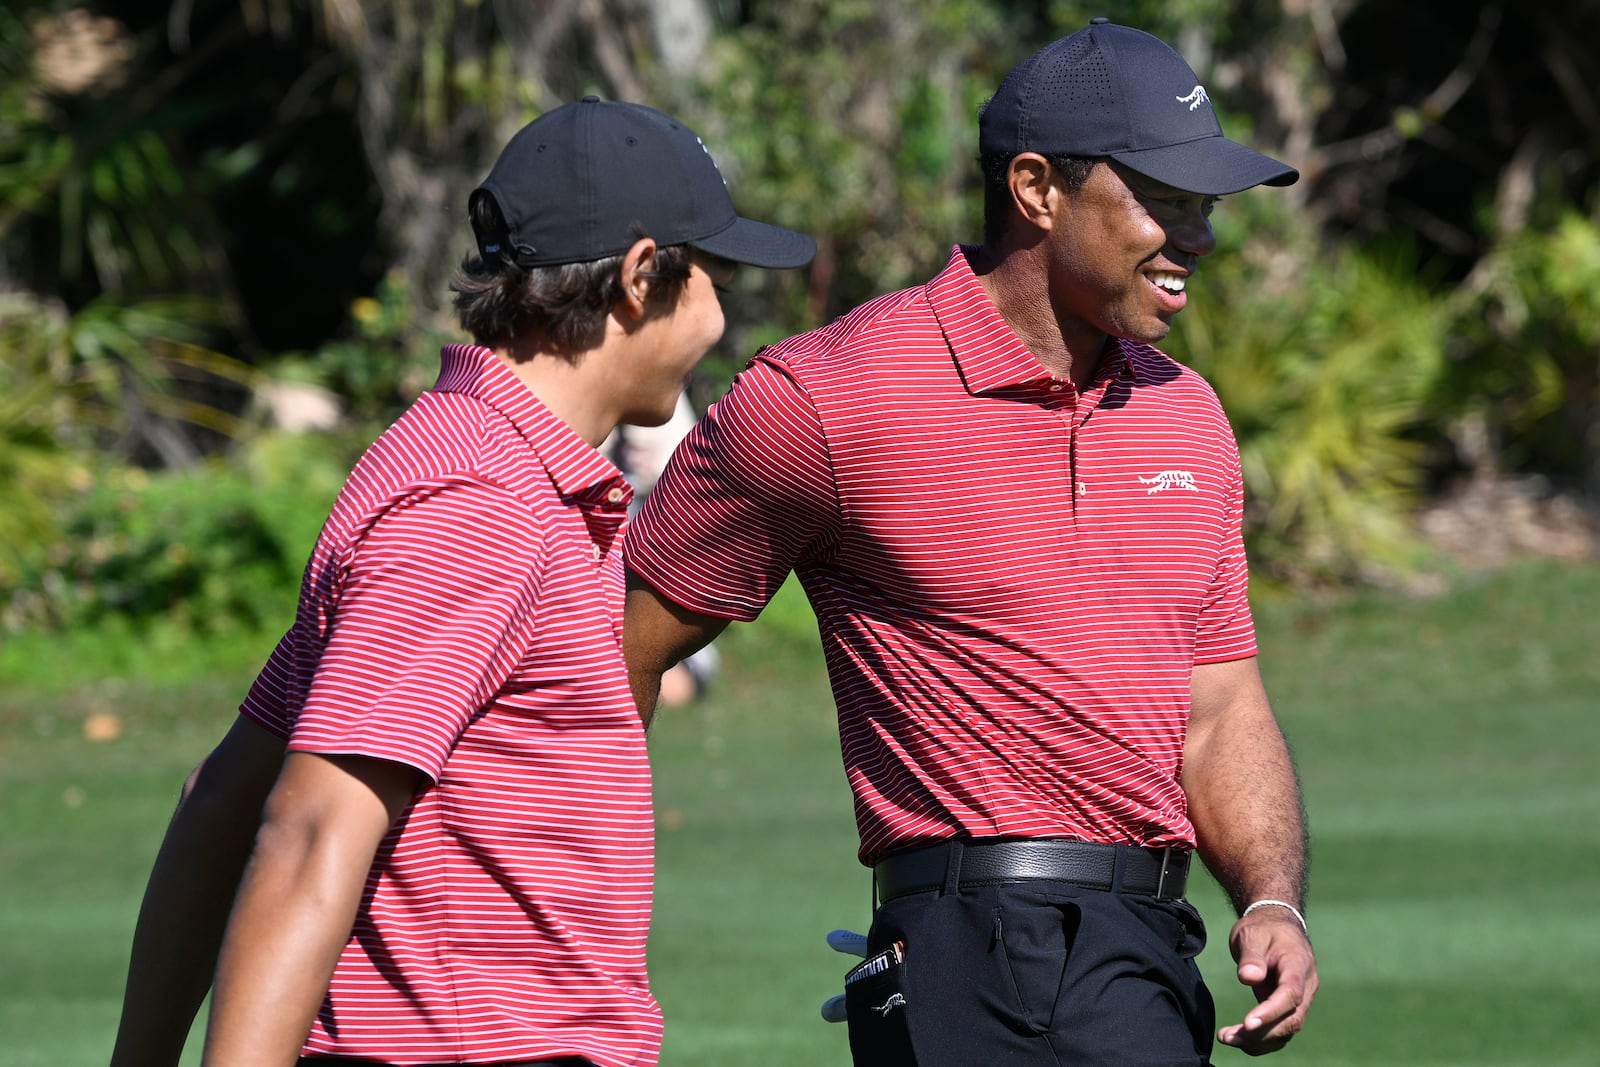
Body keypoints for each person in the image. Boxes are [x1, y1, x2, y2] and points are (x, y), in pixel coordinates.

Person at [622, 19, 1317, 1066]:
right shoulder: (829, 394)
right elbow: (616, 649)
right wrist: (572, 903)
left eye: (1202, 209)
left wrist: (1272, 898)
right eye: (1162, 204)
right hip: (972, 956)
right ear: (1036, 189)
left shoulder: (1187, 414)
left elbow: (1218, 707)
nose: (1198, 240)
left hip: (1145, 956)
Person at [108, 96, 814, 1067]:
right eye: (715, 278)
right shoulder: (476, 503)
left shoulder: (473, 464)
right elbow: (310, 824)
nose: (722, 317)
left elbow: (226, 787)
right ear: (642, 275)